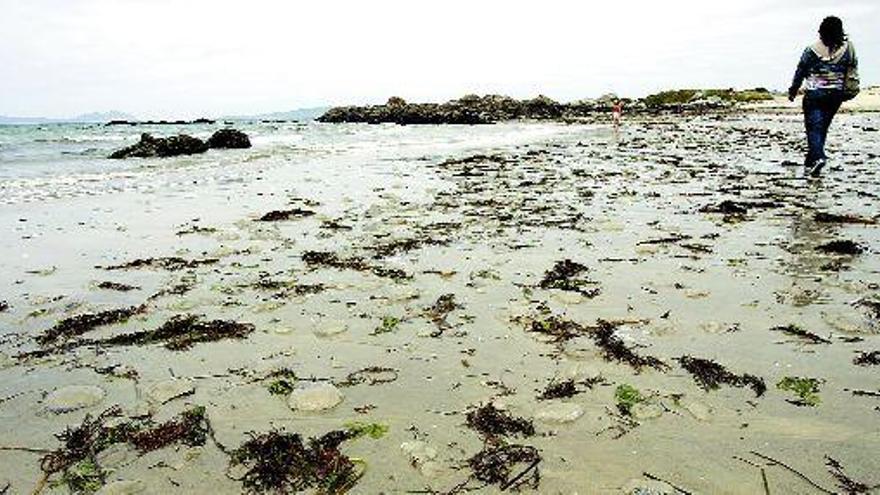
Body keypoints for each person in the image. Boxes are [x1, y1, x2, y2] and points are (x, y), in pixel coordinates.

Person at [788, 16, 858, 178]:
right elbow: (852, 67)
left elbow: (800, 71)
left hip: (814, 94)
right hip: (836, 94)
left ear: (821, 31)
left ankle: (819, 157)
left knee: (813, 128)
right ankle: (811, 159)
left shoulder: (811, 50)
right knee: (822, 128)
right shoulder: (848, 48)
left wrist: (793, 90)